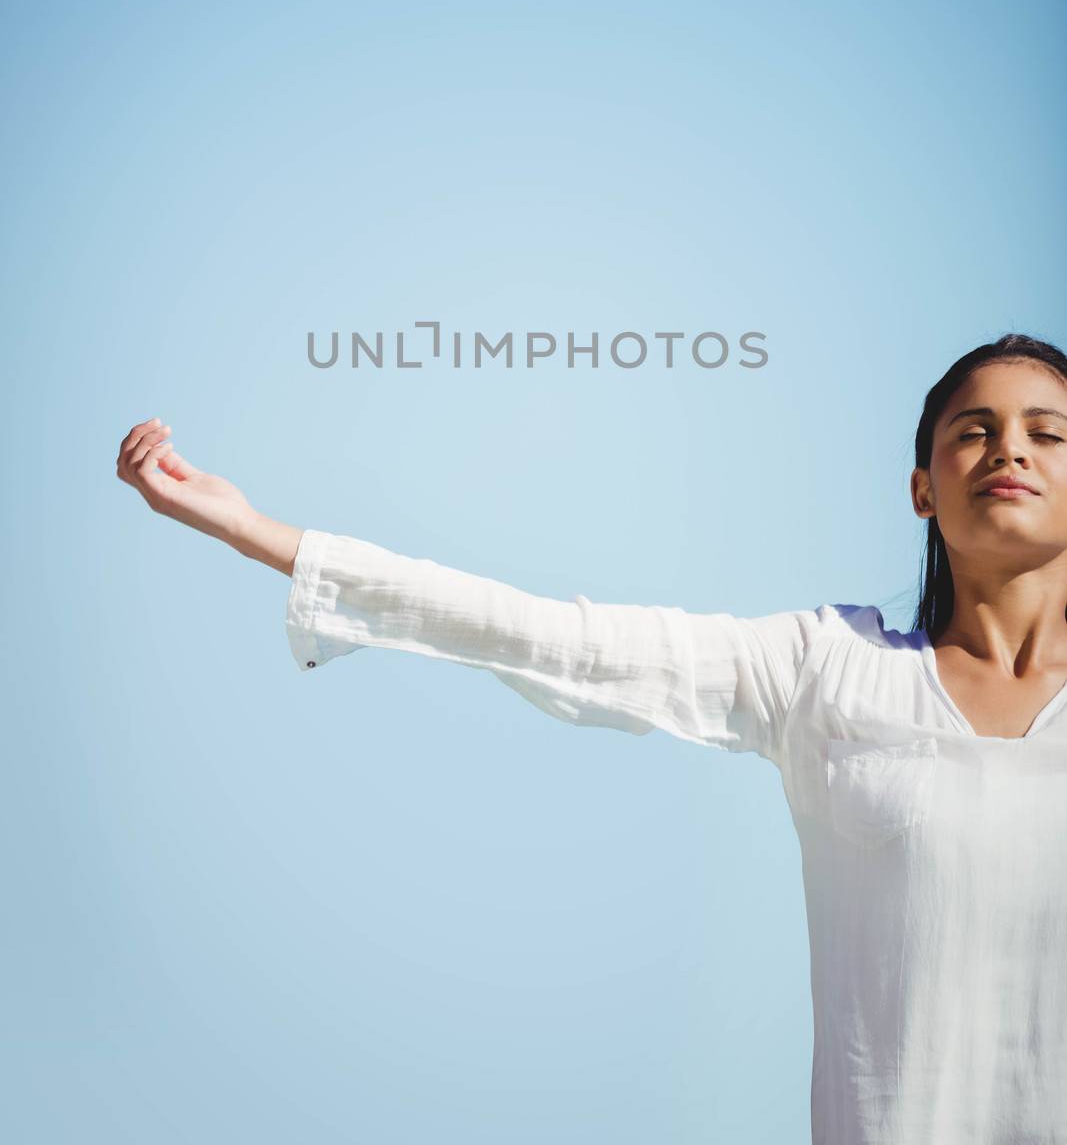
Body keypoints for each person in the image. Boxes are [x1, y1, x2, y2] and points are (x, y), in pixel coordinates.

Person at [116, 331, 1067, 1145]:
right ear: (919, 488)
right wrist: (252, 530)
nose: (1006, 451)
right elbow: (546, 636)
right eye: (972, 431)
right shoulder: (825, 670)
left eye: (1044, 432)